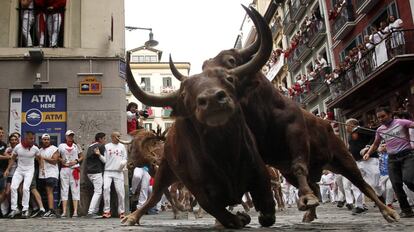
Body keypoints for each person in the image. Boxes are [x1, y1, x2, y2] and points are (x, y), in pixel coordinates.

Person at [363, 106, 414, 218]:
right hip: (392, 159)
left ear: (390, 114)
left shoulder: (401, 122)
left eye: (383, 116)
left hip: (407, 155)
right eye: (379, 117)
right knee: (395, 184)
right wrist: (368, 153)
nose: (381, 119)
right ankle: (406, 210)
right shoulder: (380, 130)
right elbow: (376, 144)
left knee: (409, 180)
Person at [345, 118, 381, 215]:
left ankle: (380, 195)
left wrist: (368, 147)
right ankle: (359, 206)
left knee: (374, 183)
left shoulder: (362, 129)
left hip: (369, 160)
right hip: (357, 162)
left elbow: (375, 135)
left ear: (352, 124)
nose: (345, 127)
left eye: (346, 125)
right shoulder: (349, 136)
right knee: (356, 184)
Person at [6, 131, 43, 219]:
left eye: (33, 138)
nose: (32, 140)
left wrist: (43, 168)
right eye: (31, 138)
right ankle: (14, 209)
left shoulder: (35, 148)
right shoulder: (18, 147)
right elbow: (12, 159)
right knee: (13, 187)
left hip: (29, 170)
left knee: (26, 188)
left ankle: (25, 209)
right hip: (19, 170)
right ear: (26, 138)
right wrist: (8, 169)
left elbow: (40, 159)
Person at [101, 132, 127, 219]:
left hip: (118, 172)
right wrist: (99, 156)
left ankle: (122, 212)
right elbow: (105, 160)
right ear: (112, 137)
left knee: (120, 192)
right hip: (108, 171)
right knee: (106, 189)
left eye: (120, 136)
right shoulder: (107, 146)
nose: (119, 138)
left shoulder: (122, 146)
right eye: (117, 136)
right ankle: (107, 211)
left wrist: (123, 164)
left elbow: (125, 158)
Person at [58, 130, 83, 218]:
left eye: (72, 136)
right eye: (69, 136)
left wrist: (76, 161)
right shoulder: (61, 146)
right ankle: (64, 211)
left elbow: (81, 156)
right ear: (66, 136)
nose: (70, 137)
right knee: (64, 190)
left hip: (74, 170)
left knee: (75, 190)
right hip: (64, 169)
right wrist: (62, 160)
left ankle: (75, 211)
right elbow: (57, 156)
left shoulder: (76, 146)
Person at [85, 132, 106, 218]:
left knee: (98, 191)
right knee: (98, 192)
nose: (105, 140)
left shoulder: (90, 146)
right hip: (96, 171)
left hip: (89, 172)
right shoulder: (100, 146)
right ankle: (91, 212)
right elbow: (105, 161)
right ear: (100, 139)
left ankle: (95, 211)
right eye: (104, 138)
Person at [38, 133, 59, 218]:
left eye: (47, 139)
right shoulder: (40, 150)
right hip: (42, 175)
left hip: (52, 173)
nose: (46, 141)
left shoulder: (54, 149)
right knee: (44, 193)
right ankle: (46, 210)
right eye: (44, 139)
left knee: (49, 191)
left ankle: (51, 210)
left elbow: (54, 160)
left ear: (50, 140)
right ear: (41, 140)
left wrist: (43, 158)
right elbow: (39, 161)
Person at [1, 133, 19, 217]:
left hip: (19, 173)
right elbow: (6, 156)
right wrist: (10, 157)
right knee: (7, 192)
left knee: (20, 191)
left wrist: (12, 157)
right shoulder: (8, 149)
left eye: (15, 140)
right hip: (10, 173)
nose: (13, 141)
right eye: (12, 140)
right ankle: (12, 208)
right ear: (9, 141)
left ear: (18, 140)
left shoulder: (20, 148)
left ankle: (19, 208)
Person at [377, 143, 395, 209]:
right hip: (381, 175)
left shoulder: (392, 154)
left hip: (391, 174)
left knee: (389, 187)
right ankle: (384, 201)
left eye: (386, 146)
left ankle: (389, 204)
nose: (384, 147)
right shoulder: (377, 155)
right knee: (382, 190)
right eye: (382, 146)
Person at [0, 127, 10, 212]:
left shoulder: (3, 144)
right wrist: (8, 157)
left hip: (2, 170)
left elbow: (4, 153)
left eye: (2, 133)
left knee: (3, 191)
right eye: (0, 133)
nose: (1, 134)